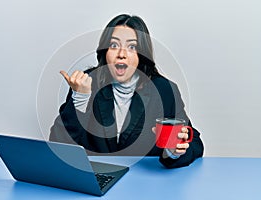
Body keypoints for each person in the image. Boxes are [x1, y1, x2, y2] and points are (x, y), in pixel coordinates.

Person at [49, 14, 204, 168]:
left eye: (132, 47)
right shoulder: (87, 83)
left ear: (142, 54)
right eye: (114, 45)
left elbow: (195, 143)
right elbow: (59, 146)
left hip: (145, 184)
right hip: (96, 177)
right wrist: (80, 98)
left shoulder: (164, 89)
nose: (121, 54)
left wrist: (173, 152)